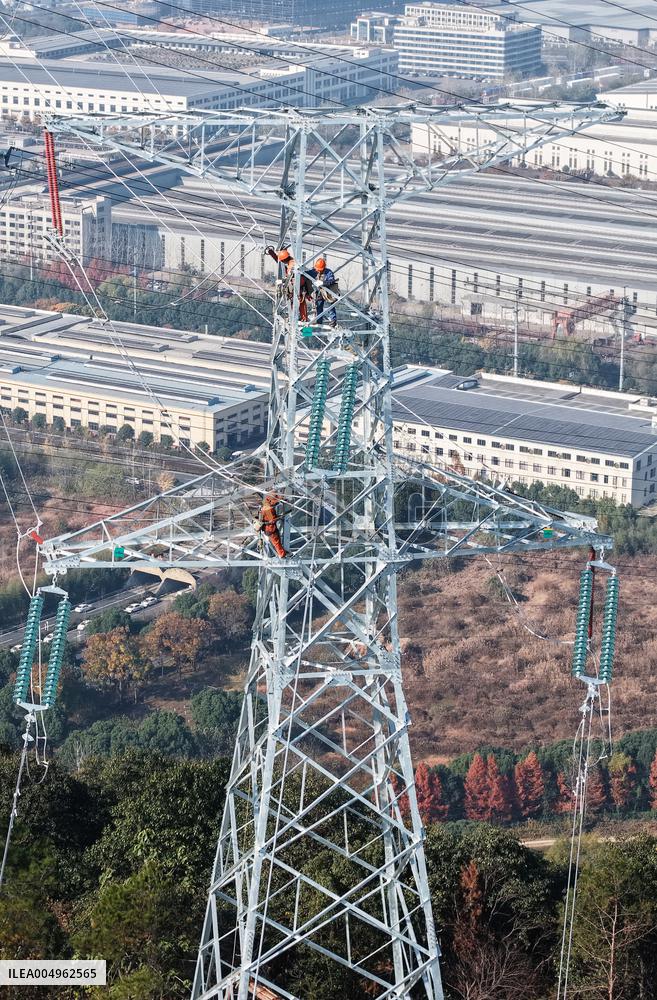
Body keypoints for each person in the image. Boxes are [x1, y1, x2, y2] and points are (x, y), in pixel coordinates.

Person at [264, 245, 310, 322]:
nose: (282, 262)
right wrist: (271, 253)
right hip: (298, 285)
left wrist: (282, 281)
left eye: (282, 261)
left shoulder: (291, 265)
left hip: (298, 286)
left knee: (297, 302)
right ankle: (301, 320)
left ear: (285, 259)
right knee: (299, 303)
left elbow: (290, 277)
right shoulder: (290, 261)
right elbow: (279, 260)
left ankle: (297, 319)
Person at [308, 257, 338, 327]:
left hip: (328, 292)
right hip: (319, 292)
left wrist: (322, 283)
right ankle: (319, 320)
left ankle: (333, 321)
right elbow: (308, 273)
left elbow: (331, 281)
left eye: (320, 270)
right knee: (319, 306)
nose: (319, 271)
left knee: (330, 306)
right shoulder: (315, 271)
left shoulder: (328, 272)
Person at [257, 493, 287, 558]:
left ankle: (282, 552)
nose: (275, 503)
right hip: (270, 529)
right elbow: (272, 520)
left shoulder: (265, 507)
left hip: (269, 529)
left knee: (277, 541)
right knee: (276, 542)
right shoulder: (268, 509)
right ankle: (282, 554)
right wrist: (280, 517)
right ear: (270, 500)